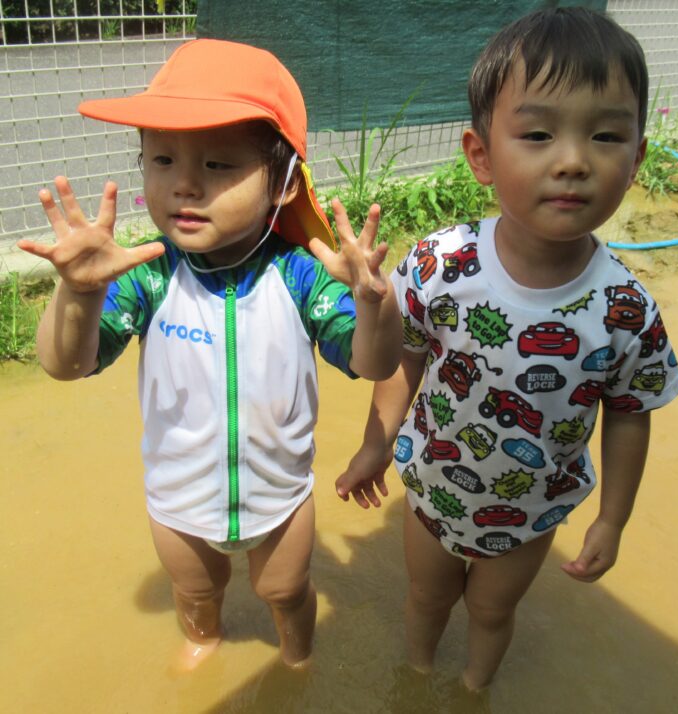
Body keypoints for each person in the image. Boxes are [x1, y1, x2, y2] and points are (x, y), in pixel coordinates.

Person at [18, 39, 402, 672]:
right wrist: (79, 295)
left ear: (284, 183)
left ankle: (297, 654)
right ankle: (203, 638)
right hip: (180, 501)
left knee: (284, 589)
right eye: (162, 159)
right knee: (196, 591)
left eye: (219, 164)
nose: (185, 185)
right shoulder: (147, 275)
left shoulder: (299, 276)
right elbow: (66, 365)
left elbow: (374, 363)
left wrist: (373, 305)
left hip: (280, 500)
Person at [336, 7, 678, 690]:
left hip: (530, 508)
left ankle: (473, 689)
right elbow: (403, 359)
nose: (574, 161)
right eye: (538, 134)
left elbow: (630, 414)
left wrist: (613, 520)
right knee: (426, 597)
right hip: (434, 485)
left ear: (637, 159)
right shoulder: (442, 264)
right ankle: (416, 678)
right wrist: (376, 442)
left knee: (493, 612)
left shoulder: (626, 309)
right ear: (482, 156)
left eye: (606, 135)